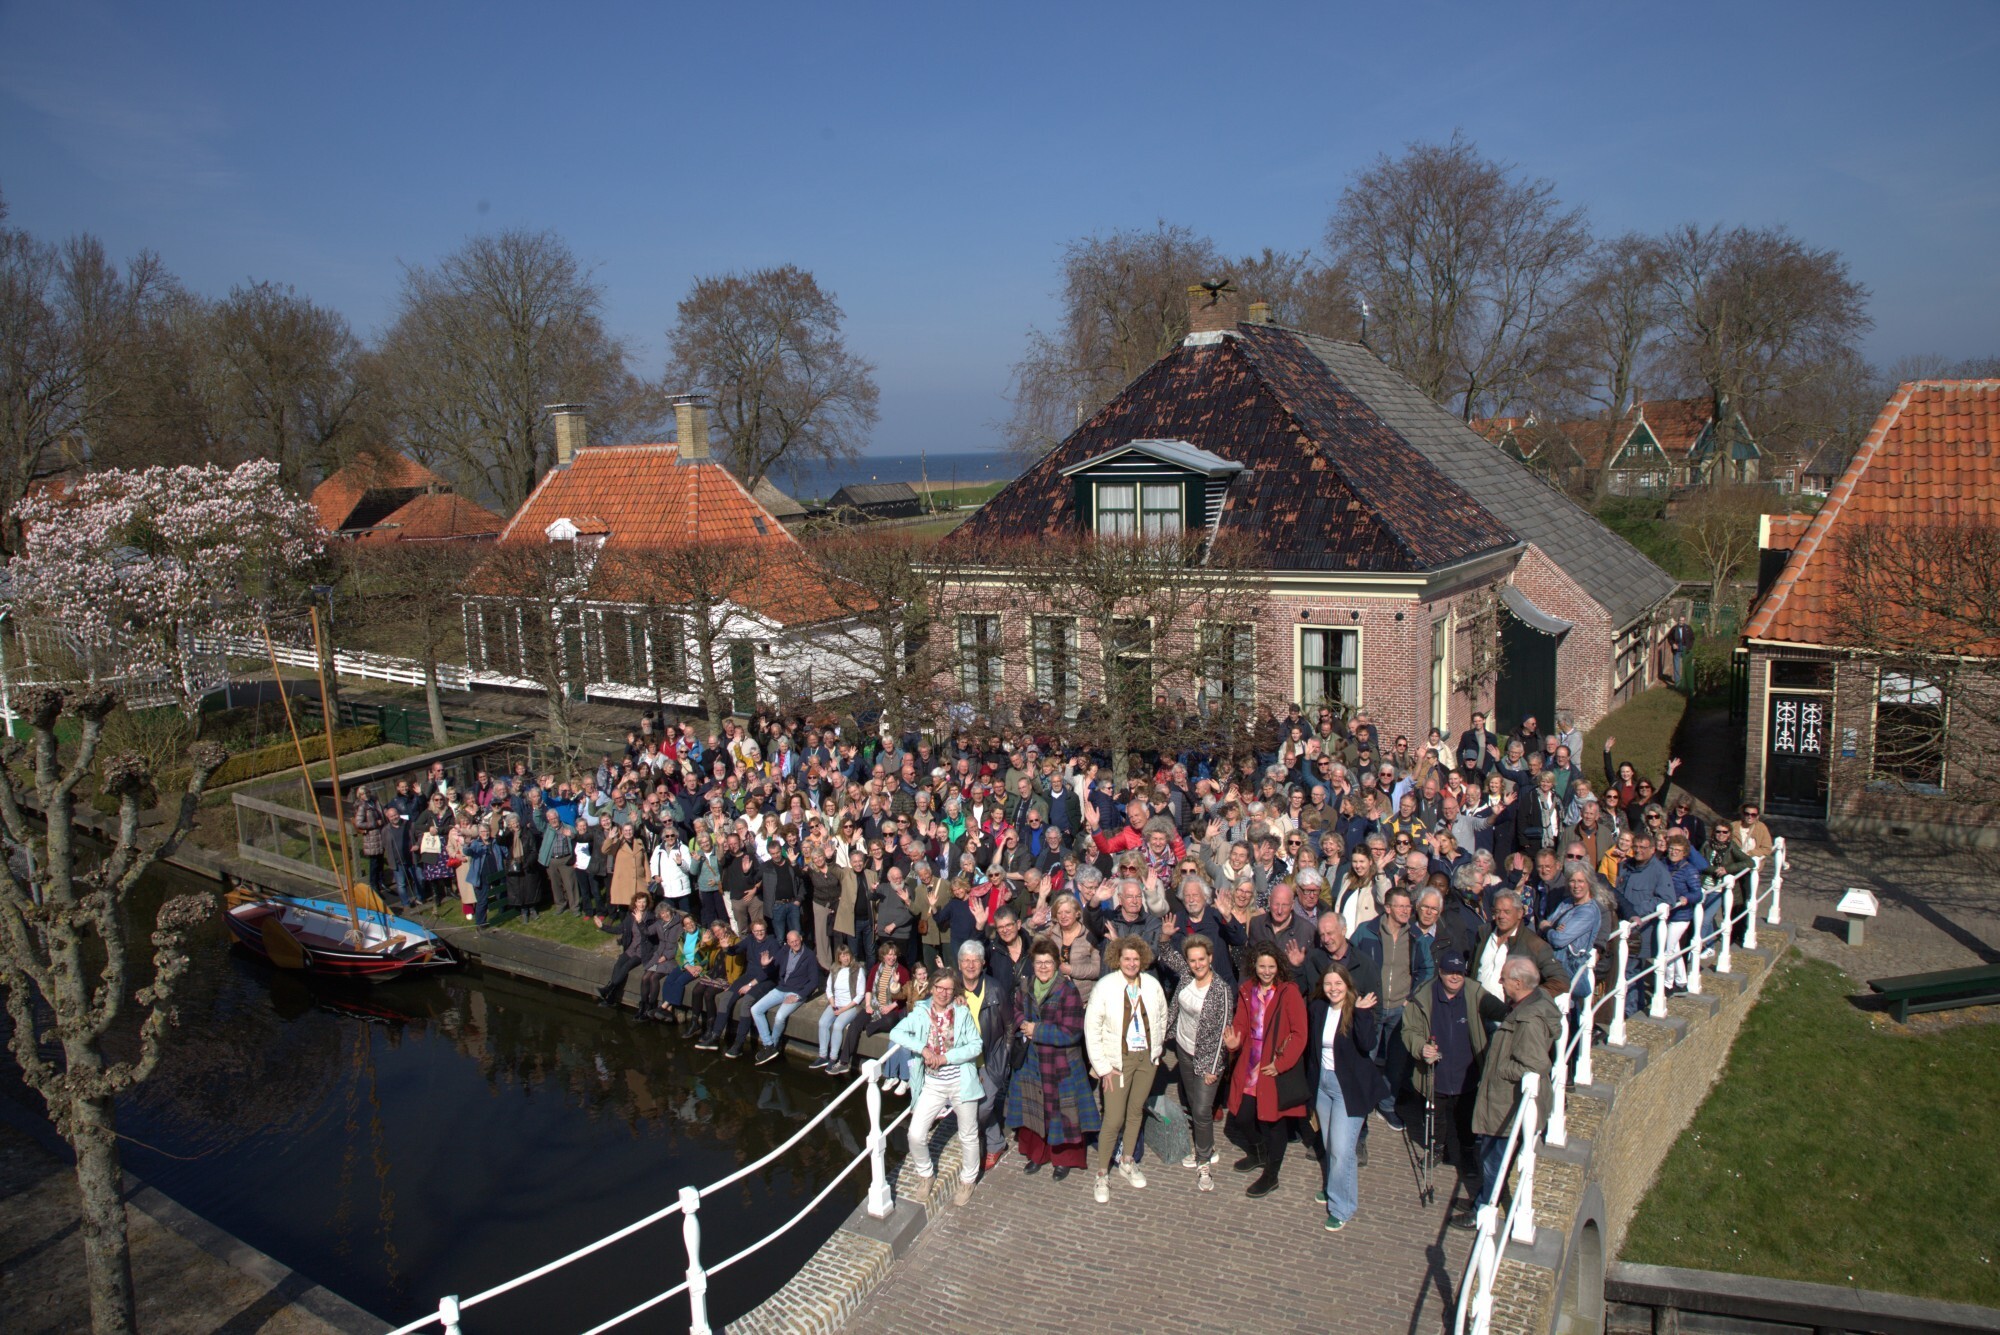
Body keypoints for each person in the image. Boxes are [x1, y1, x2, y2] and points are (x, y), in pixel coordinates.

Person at [1458, 957, 1560, 1226]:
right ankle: (1483, 1197)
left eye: (1503, 978)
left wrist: (1502, 1070)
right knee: (1493, 1157)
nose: (1500, 982)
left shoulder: (1528, 1020)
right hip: (1506, 1102)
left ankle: (1483, 1210)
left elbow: (1535, 1065)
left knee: (1494, 1159)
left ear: (1517, 982)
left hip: (1507, 1105)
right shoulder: (1533, 1005)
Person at [1083, 936, 1168, 1204]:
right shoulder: (1106, 987)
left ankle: (1128, 1160)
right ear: (1117, 960)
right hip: (1117, 1061)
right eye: (1126, 958)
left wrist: (1156, 1052)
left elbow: (1162, 1017)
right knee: (1114, 1118)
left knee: (1135, 1112)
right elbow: (1091, 1028)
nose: (1131, 963)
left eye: (1135, 959)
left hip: (1145, 1058)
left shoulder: (1152, 985)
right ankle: (1101, 1173)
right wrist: (1103, 1067)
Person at [1005, 937, 1099, 1180]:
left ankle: (1063, 1159)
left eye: (1048, 962)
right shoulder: (1025, 986)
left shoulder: (1068, 991)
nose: (1043, 967)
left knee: (1062, 1113)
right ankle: (1038, 1154)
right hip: (1032, 1062)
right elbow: (1013, 1010)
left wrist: (1037, 1030)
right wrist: (1021, 1024)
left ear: (1056, 964)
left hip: (1061, 1064)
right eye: (1039, 963)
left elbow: (1072, 1031)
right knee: (1035, 1110)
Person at [890, 970, 983, 1206]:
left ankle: (968, 1179)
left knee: (968, 1135)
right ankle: (925, 1173)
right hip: (932, 1084)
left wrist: (946, 1058)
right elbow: (896, 1032)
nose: (943, 993)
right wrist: (923, 1049)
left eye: (949, 989)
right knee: (916, 1134)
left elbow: (976, 1046)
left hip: (961, 1081)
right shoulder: (921, 1012)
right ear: (931, 988)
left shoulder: (961, 1012)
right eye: (939, 988)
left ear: (955, 992)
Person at [1224, 942, 1309, 1199]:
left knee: (1273, 1123)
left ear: (1278, 966)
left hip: (1273, 1065)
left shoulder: (1288, 992)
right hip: (1250, 1063)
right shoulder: (1248, 990)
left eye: (1271, 966)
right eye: (1262, 966)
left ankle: (1272, 1174)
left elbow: (1299, 1033)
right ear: (1255, 966)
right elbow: (1240, 1024)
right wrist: (1234, 1043)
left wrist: (1281, 1063)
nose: (1267, 971)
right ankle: (1259, 1153)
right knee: (1241, 1115)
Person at [1403, 952, 1484, 1211]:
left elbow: (1495, 1016)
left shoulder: (1476, 993)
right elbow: (1409, 1030)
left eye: (1459, 974)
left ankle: (1467, 1155)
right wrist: (1420, 1047)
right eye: (1450, 973)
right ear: (1440, 972)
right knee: (1435, 1114)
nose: (1455, 978)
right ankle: (1436, 1149)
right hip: (1437, 1070)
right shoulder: (1424, 996)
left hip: (1466, 1069)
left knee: (1464, 1117)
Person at [1310, 963, 1387, 1232]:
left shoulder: (1356, 1010)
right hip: (1323, 1085)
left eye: (1338, 984)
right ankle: (1334, 1187)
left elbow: (1367, 1045)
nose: (1333, 989)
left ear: (1347, 985)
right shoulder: (1319, 1009)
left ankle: (1342, 1206)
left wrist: (1365, 1013)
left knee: (1343, 1150)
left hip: (1348, 1088)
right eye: (1329, 984)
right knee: (1330, 1144)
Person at [1154, 930, 1233, 1191]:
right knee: (1191, 1102)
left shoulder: (1220, 990)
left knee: (1201, 1110)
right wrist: (1165, 938)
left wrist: (1212, 1068)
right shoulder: (1187, 975)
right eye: (1193, 960)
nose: (1197, 964)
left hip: (1207, 1057)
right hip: (1184, 1050)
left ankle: (1204, 1160)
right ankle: (1204, 1145)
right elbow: (1166, 955)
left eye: (1201, 959)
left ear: (1210, 958)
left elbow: (1223, 1032)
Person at [748, 928, 822, 1064]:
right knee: (755, 1009)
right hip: (781, 988)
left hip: (796, 992)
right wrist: (765, 965)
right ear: (787, 943)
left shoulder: (809, 955)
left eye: (796, 941)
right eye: (791, 942)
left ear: (801, 939)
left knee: (780, 1017)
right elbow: (773, 966)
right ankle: (769, 1045)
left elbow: (814, 982)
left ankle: (774, 1045)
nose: (795, 944)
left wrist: (799, 996)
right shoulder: (784, 951)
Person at [836, 942, 910, 1077]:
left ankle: (869, 1028)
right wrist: (868, 1005)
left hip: (891, 1009)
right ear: (883, 955)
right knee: (855, 1025)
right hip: (874, 1006)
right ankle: (844, 1062)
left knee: (889, 1021)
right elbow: (869, 989)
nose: (892, 958)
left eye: (894, 955)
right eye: (889, 954)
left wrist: (890, 1007)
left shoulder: (902, 971)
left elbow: (904, 996)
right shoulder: (876, 968)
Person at [595, 891, 658, 1012]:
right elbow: (619, 929)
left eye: (644, 902)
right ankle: (611, 996)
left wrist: (640, 922)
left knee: (626, 967)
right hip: (631, 948)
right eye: (639, 902)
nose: (641, 904)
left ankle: (609, 989)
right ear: (635, 903)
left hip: (642, 951)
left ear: (647, 903)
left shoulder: (651, 918)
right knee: (618, 964)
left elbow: (649, 934)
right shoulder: (631, 916)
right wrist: (602, 926)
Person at [813, 943, 867, 1071]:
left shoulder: (857, 970)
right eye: (842, 956)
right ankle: (823, 1055)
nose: (845, 958)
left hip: (851, 1005)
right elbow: (829, 989)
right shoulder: (834, 969)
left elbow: (860, 994)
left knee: (838, 1025)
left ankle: (833, 1058)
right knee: (823, 1022)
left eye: (847, 955)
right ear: (838, 958)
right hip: (836, 1004)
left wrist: (843, 1009)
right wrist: (832, 1004)